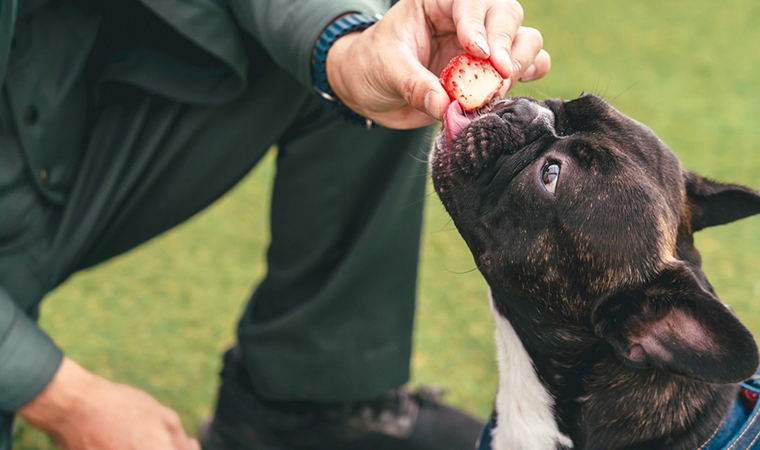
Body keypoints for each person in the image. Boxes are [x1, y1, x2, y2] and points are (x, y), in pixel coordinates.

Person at [0, 0, 550, 448]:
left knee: (390, 30)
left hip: (57, 131)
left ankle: (308, 400)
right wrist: (65, 398)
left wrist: (346, 48)